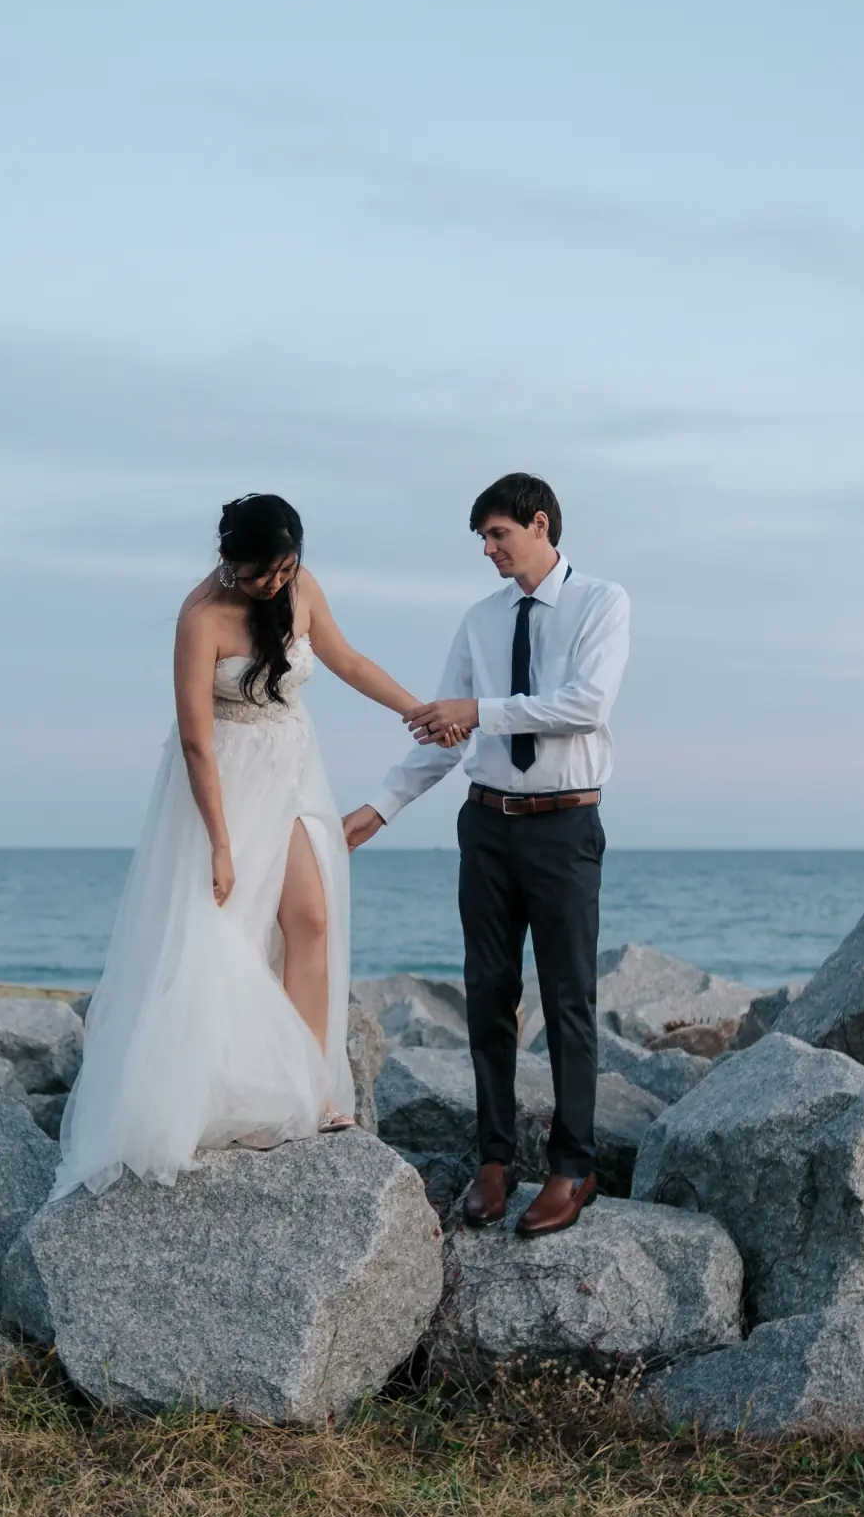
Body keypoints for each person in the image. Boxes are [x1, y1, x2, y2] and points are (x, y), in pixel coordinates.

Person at [52, 494, 434, 1199]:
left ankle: (309, 1089)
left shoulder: (298, 583)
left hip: (290, 768)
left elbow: (346, 659)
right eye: (262, 572)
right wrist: (220, 843)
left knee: (310, 920)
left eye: (286, 568)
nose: (276, 582)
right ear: (230, 564)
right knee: (218, 932)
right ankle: (225, 1090)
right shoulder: (199, 619)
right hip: (221, 782)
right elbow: (196, 738)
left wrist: (414, 709)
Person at [343, 473, 630, 1239]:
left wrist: (480, 712)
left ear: (540, 524)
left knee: (568, 999)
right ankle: (495, 1159)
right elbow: (446, 730)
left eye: (498, 534)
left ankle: (573, 1166)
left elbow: (584, 705)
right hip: (487, 827)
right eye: (482, 538)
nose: (488, 549)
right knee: (487, 996)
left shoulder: (603, 603)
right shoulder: (479, 620)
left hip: (565, 828)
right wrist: (381, 806)